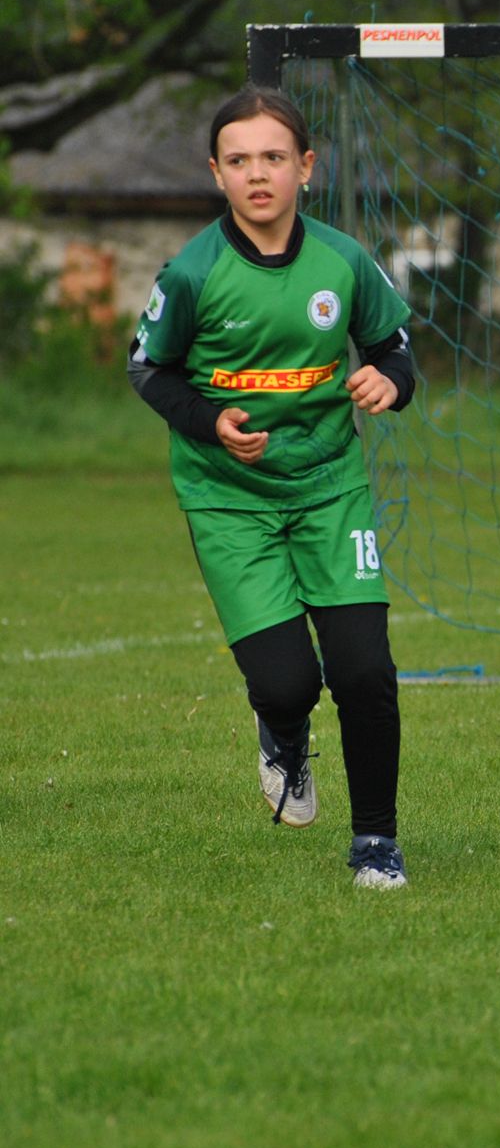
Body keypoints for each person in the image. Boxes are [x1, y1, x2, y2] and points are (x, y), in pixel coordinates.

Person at [128, 86, 418, 889]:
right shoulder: (192, 272)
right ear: (217, 173)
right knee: (289, 680)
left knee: (364, 669)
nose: (259, 174)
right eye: (241, 159)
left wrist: (388, 382)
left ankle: (376, 842)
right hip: (231, 499)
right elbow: (147, 367)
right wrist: (211, 419)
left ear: (306, 168)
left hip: (331, 487)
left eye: (275, 158)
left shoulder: (342, 260)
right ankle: (282, 730)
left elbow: (395, 348)